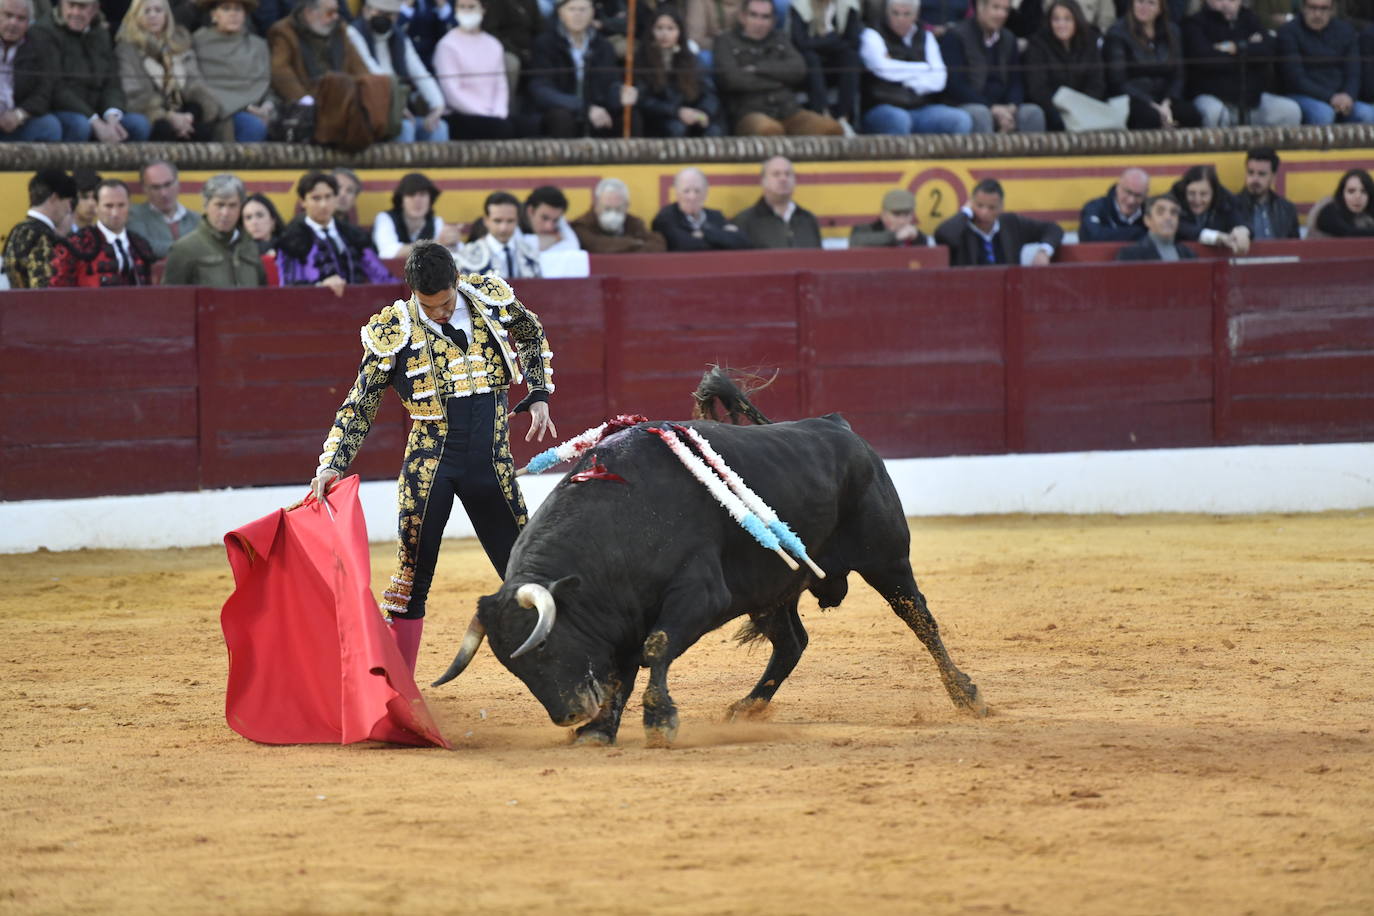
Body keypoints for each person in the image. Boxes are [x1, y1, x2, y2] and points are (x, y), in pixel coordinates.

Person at [307, 240, 556, 672]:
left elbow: (531, 332)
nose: (438, 312)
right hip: (430, 468)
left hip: (491, 465)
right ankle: (396, 689)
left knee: (525, 570)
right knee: (410, 579)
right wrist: (332, 462)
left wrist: (538, 392)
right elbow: (361, 403)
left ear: (457, 282)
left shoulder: (489, 300)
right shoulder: (394, 328)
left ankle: (568, 668)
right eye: (428, 305)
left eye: (444, 303)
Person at [714, 0, 844, 135]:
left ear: (773, 20)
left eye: (765, 17)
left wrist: (757, 68)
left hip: (789, 110)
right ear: (742, 17)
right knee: (770, 130)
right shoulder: (725, 41)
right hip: (750, 112)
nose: (759, 22)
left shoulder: (780, 38)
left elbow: (798, 69)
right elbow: (731, 79)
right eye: (753, 15)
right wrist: (780, 79)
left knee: (832, 129)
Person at [36, 0, 154, 142]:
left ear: (94, 9)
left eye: (82, 7)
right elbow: (55, 88)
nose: (75, 12)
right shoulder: (45, 32)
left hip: (99, 111)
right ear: (61, 4)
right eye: (71, 6)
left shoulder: (101, 34)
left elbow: (112, 83)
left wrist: (112, 116)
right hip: (64, 111)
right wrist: (94, 120)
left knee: (139, 124)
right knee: (79, 125)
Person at [116, 0, 225, 141]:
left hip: (183, 112)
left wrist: (189, 116)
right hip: (152, 115)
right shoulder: (127, 49)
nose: (152, 15)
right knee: (163, 129)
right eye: (146, 11)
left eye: (158, 10)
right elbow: (135, 95)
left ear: (167, 15)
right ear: (136, 15)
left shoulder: (181, 43)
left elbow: (195, 84)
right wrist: (169, 117)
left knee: (202, 130)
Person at [858, 0, 972, 135]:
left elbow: (939, 79)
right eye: (895, 13)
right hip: (883, 106)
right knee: (899, 119)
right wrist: (924, 68)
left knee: (960, 119)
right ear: (887, 13)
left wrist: (904, 79)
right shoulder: (872, 34)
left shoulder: (926, 36)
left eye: (906, 14)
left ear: (916, 15)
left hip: (921, 107)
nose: (900, 19)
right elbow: (883, 69)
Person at [1182, 0, 1300, 128]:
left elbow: (1268, 49)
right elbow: (1205, 58)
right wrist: (1249, 49)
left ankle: (1264, 148)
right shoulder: (1195, 23)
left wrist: (1234, 47)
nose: (1226, 3)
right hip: (1214, 97)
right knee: (1214, 113)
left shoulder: (1250, 18)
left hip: (1253, 99)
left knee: (1290, 111)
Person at [346, 0, 448, 142]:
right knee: (405, 128)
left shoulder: (399, 38)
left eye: (389, 15)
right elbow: (372, 71)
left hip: (400, 112)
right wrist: (396, 106)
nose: (384, 18)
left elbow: (420, 73)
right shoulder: (353, 34)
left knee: (439, 127)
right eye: (379, 12)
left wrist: (437, 106)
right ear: (366, 10)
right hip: (371, 114)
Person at [278, 170, 394, 293]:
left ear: (335, 197)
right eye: (316, 198)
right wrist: (319, 285)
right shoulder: (291, 239)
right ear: (303, 202)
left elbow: (380, 275)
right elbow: (289, 285)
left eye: (328, 197)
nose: (323, 204)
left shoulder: (354, 235)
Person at [941, 0, 1046, 133]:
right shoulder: (956, 36)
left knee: (1032, 113)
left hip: (1003, 106)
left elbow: (1016, 81)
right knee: (981, 114)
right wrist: (991, 108)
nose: (1001, 14)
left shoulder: (1009, 38)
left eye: (1005, 10)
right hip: (967, 104)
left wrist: (1011, 106)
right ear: (980, 7)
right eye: (996, 8)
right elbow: (956, 85)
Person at [529, 0, 630, 138]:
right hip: (560, 111)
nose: (578, 15)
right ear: (561, 13)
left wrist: (621, 93)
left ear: (592, 13)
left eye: (583, 9)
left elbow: (610, 83)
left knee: (629, 115)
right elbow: (541, 90)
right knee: (562, 118)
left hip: (597, 111)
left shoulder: (603, 46)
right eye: (572, 9)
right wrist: (584, 107)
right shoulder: (545, 44)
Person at [1104, 0, 1201, 129]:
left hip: (1165, 98)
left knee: (1191, 115)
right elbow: (1118, 81)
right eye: (1140, 2)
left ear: (1160, 8)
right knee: (1150, 118)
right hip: (1133, 99)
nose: (1144, 7)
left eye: (1151, 3)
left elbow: (1178, 75)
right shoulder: (1117, 33)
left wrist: (1167, 102)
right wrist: (1152, 104)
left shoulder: (1172, 32)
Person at [1277, 0, 1374, 125]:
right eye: (1313, 8)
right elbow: (1295, 78)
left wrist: (1348, 95)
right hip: (1303, 95)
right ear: (1303, 8)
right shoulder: (1289, 31)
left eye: (1324, 8)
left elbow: (1353, 73)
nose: (1318, 14)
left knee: (1367, 114)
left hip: (1341, 96)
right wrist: (1331, 97)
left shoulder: (1345, 31)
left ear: (1332, 10)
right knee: (1323, 114)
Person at [163, 173, 267, 287]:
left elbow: (262, 294)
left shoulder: (250, 246)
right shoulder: (183, 250)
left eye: (232, 205)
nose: (225, 213)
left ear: (240, 207)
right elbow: (170, 299)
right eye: (219, 205)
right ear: (206, 205)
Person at [635, 4, 724, 137]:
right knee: (676, 128)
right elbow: (644, 100)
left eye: (670, 29)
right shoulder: (643, 59)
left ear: (679, 32)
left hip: (693, 114)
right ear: (651, 31)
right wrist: (676, 111)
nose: (664, 34)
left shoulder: (691, 59)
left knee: (713, 130)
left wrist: (703, 112)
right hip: (660, 119)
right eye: (659, 28)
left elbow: (709, 93)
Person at [193, 0, 275, 142]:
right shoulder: (197, 43)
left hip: (261, 111)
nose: (233, 14)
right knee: (253, 126)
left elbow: (268, 86)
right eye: (226, 9)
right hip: (219, 114)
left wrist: (267, 107)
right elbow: (196, 86)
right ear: (214, 14)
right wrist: (245, 108)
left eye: (238, 9)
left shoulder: (258, 45)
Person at [432, 0, 515, 140]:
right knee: (499, 129)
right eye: (461, 7)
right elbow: (452, 92)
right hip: (460, 114)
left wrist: (499, 113)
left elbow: (500, 86)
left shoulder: (494, 44)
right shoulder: (447, 45)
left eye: (471, 7)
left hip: (493, 115)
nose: (466, 11)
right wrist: (483, 114)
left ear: (483, 10)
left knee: (519, 126)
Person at [933, 178, 1063, 266]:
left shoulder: (1011, 223)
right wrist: (965, 212)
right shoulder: (961, 227)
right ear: (971, 203)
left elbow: (1053, 229)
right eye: (979, 206)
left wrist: (1044, 251)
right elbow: (942, 235)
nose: (984, 213)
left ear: (1001, 207)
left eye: (991, 208)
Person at [51, 179, 156, 287]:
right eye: (108, 206)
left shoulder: (140, 244)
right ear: (96, 207)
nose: (115, 213)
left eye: (121, 205)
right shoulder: (77, 243)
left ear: (129, 205)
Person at [267, 0, 370, 107]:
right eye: (330, 12)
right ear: (309, 13)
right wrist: (304, 100)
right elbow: (280, 71)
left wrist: (368, 91)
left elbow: (358, 66)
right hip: (308, 100)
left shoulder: (340, 30)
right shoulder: (284, 32)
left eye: (337, 11)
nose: (335, 17)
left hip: (344, 99)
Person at [1023, 0, 1107, 132]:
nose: (1061, 24)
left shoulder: (1089, 41)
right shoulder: (1037, 44)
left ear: (1076, 20)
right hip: (1053, 114)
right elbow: (1038, 89)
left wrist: (1080, 108)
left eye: (1067, 19)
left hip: (1085, 112)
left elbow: (1096, 83)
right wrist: (1061, 112)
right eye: (1056, 19)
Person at [788, 0, 862, 131]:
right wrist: (832, 39)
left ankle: (844, 117)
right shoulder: (800, 5)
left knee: (851, 58)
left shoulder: (849, 5)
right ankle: (822, 114)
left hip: (834, 63)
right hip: (809, 67)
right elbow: (799, 42)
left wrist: (820, 42)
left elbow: (853, 41)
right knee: (811, 58)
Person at [0, 0, 62, 141]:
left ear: (30, 22)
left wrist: (19, 114)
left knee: (49, 126)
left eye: (21, 18)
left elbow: (43, 91)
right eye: (8, 15)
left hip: (16, 119)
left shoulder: (39, 45)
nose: (13, 23)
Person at [3, 169, 75, 289]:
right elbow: (43, 290)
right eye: (68, 202)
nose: (69, 209)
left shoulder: (18, 230)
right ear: (54, 198)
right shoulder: (42, 235)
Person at [731, 155, 824, 248]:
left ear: (795, 180)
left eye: (788, 174)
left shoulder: (808, 220)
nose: (783, 179)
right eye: (776, 174)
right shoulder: (745, 222)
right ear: (763, 181)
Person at [652, 166, 752, 251]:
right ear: (677, 193)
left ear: (706, 193)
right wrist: (721, 235)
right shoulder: (666, 217)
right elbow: (685, 246)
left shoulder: (715, 216)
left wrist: (704, 233)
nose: (692, 197)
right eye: (686, 191)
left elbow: (743, 243)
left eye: (697, 191)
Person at [372, 172, 462, 260]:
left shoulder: (436, 222)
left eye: (422, 194)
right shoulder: (385, 218)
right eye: (411, 195)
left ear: (430, 200)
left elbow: (457, 251)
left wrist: (453, 242)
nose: (417, 200)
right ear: (401, 200)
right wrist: (436, 245)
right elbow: (388, 253)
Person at [456, 191, 543, 278]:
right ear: (486, 221)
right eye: (497, 221)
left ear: (517, 220)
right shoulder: (467, 255)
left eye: (510, 221)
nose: (503, 228)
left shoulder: (531, 254)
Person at [570, 177, 668, 254]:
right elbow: (597, 246)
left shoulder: (633, 223)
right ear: (596, 206)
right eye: (607, 209)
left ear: (626, 206)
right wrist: (635, 243)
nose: (612, 214)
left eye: (618, 209)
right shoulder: (582, 224)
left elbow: (657, 245)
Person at [1169, 164, 1250, 253]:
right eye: (1191, 193)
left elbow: (1241, 221)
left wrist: (1243, 230)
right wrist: (1216, 237)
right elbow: (1180, 228)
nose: (1197, 200)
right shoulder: (1173, 201)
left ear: (1214, 194)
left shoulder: (1226, 202)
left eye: (1203, 194)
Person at [127, 160, 200, 259]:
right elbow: (144, 247)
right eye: (155, 187)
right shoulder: (134, 216)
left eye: (168, 184)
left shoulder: (197, 219)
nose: (163, 193)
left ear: (178, 183)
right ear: (145, 189)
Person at [1231, 147, 1300, 240]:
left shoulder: (1286, 209)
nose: (1255, 179)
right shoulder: (1231, 207)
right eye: (1251, 173)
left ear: (1273, 177)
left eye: (1261, 174)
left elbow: (1295, 248)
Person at [1078, 167, 1150, 242]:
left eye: (1138, 195)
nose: (1131, 201)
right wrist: (1138, 233)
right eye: (1128, 192)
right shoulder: (1095, 207)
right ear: (1117, 187)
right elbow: (1091, 237)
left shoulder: (1151, 212)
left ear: (1146, 194)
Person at [1115, 193, 1196, 260]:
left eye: (1173, 213)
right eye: (1160, 212)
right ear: (1147, 220)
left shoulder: (1188, 254)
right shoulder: (1130, 255)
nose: (1168, 217)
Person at [850, 188, 931, 247]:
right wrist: (895, 236)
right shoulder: (864, 230)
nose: (902, 221)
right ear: (883, 214)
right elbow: (856, 241)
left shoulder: (915, 236)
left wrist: (917, 239)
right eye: (896, 214)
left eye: (907, 215)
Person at [1314, 168, 1374, 236]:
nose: (1357, 197)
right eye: (1351, 191)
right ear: (1341, 193)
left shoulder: (1369, 214)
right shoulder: (1328, 211)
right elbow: (1348, 234)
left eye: (1364, 191)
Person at [524, 185, 581, 256]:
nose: (549, 227)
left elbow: (573, 248)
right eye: (544, 218)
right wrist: (556, 238)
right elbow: (520, 247)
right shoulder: (512, 218)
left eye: (555, 220)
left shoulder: (556, 216)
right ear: (530, 211)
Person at [241, 191, 285, 284]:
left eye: (260, 215)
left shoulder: (289, 251)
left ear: (273, 220)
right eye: (248, 217)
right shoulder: (236, 254)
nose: (254, 222)